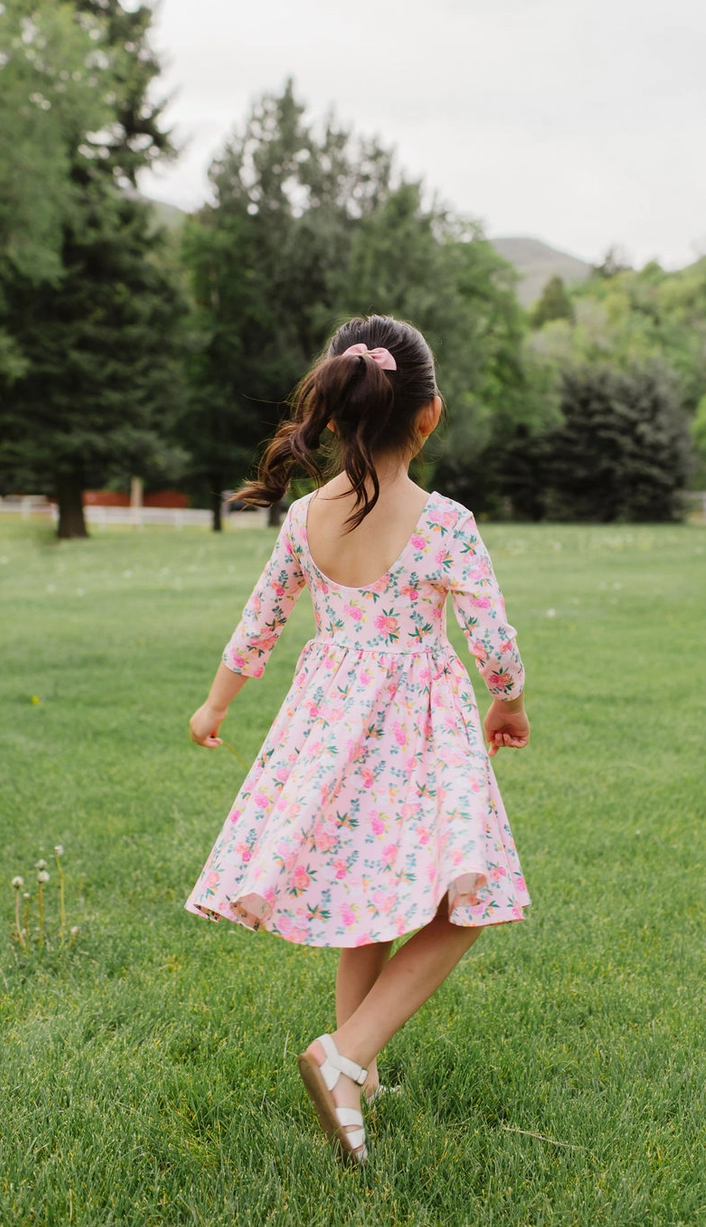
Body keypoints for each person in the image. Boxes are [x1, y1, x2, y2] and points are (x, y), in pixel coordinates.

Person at [187, 315, 531, 1165]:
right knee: (467, 901)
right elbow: (492, 638)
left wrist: (214, 705)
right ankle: (342, 1055)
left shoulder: (305, 518)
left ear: (337, 416)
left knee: (366, 899)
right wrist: (509, 703)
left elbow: (259, 623)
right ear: (430, 415)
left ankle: (361, 1074)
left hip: (331, 727)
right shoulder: (444, 520)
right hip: (416, 730)